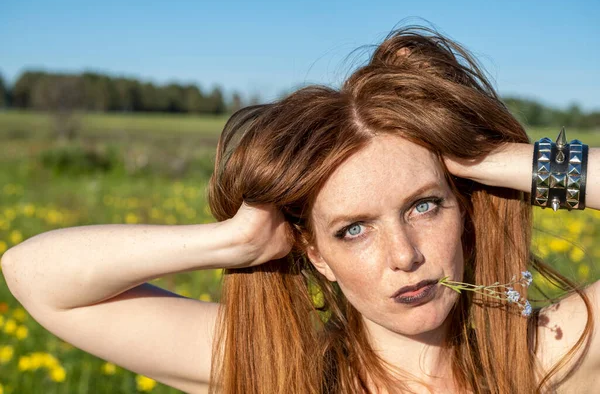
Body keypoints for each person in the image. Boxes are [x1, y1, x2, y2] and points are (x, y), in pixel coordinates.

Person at [1, 25, 598, 394]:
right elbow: (34, 276)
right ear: (317, 254)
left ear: (462, 213)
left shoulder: (548, 356)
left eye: (423, 206)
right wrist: (232, 244)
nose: (404, 255)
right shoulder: (285, 371)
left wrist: (497, 162)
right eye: (354, 228)